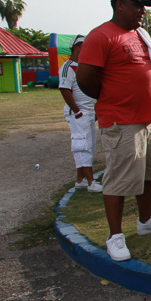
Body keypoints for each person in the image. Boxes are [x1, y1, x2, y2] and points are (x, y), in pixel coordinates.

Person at [76, 0, 151, 263]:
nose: (141, 10)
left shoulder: (138, 34)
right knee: (118, 179)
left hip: (147, 117)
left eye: (143, 6)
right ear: (119, 5)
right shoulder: (101, 35)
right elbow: (85, 79)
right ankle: (115, 236)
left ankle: (145, 220)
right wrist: (110, 98)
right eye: (136, 4)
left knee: (146, 172)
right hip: (121, 119)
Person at [59, 34, 102, 193]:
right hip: (79, 112)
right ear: (76, 47)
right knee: (82, 146)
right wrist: (77, 112)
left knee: (89, 145)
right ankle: (91, 182)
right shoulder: (68, 67)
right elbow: (65, 89)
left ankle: (81, 180)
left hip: (88, 111)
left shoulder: (84, 66)